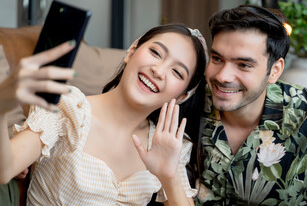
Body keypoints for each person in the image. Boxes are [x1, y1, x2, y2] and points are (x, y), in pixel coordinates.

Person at [0, 23, 208, 205]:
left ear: (182, 96)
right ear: (131, 51)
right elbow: (5, 169)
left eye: (177, 72)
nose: (159, 70)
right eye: (156, 53)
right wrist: (1, 106)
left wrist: (168, 176)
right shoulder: (68, 108)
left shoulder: (168, 144)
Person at [194, 4, 307, 205]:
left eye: (244, 65)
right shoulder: (188, 101)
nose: (222, 76)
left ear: (275, 70)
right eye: (217, 58)